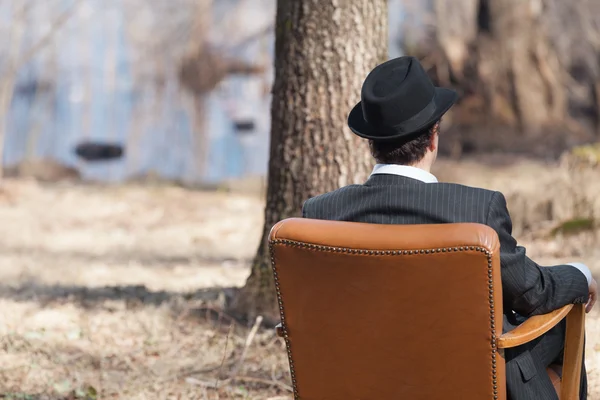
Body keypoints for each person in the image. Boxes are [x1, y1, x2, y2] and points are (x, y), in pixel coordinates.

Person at [301, 56, 597, 400]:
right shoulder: (475, 210)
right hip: (468, 382)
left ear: (371, 144)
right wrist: (580, 274)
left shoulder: (320, 212)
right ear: (433, 138)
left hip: (358, 381)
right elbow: (533, 294)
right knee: (563, 319)